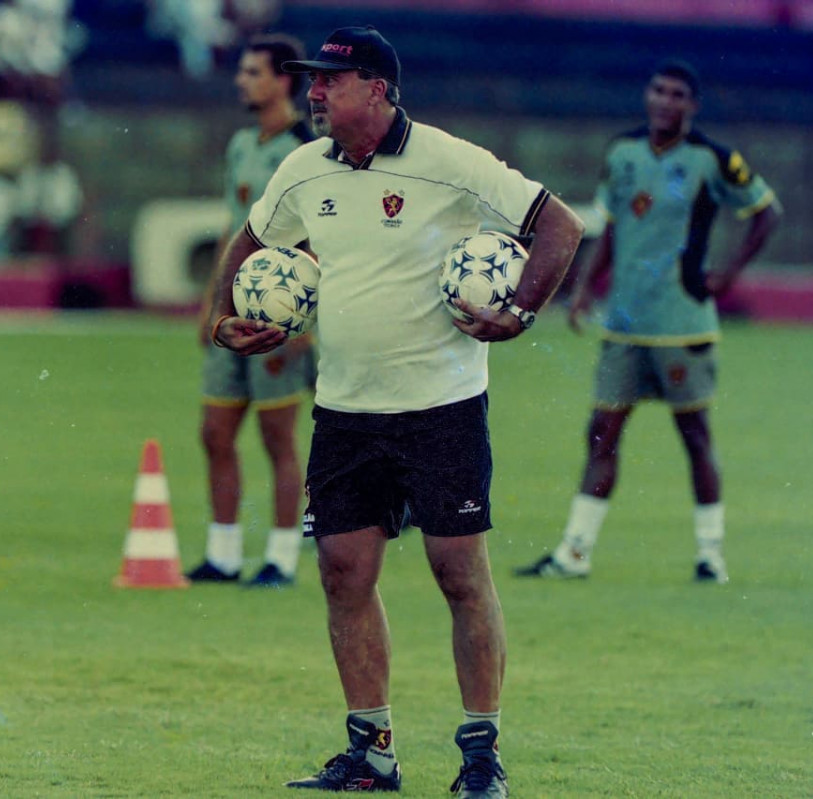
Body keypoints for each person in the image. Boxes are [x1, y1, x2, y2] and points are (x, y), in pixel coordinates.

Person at [207, 26, 585, 797]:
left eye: (330, 83)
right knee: (344, 573)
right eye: (311, 82)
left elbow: (560, 225)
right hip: (344, 409)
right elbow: (246, 242)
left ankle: (482, 755)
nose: (313, 93)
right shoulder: (303, 168)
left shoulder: (451, 162)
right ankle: (371, 751)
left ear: (377, 90)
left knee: (460, 573)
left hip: (442, 405)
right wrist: (221, 320)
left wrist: (523, 311)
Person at [515, 60, 780, 585]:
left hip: (684, 324)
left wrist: (728, 272)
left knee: (694, 435)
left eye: (677, 94)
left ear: (692, 105)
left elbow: (767, 212)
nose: (665, 100)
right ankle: (575, 553)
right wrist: (586, 286)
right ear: (647, 96)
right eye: (658, 90)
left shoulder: (714, 160)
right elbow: (611, 226)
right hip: (625, 326)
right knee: (602, 433)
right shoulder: (623, 153)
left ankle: (711, 556)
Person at [187, 33, 317, 589]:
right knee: (215, 432)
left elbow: (317, 238)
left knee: (276, 438)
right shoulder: (242, 144)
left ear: (283, 80)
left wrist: (303, 321)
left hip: (276, 321)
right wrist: (210, 305)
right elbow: (231, 227)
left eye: (253, 72)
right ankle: (222, 554)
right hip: (231, 317)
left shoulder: (305, 151)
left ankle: (282, 558)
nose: (242, 81)